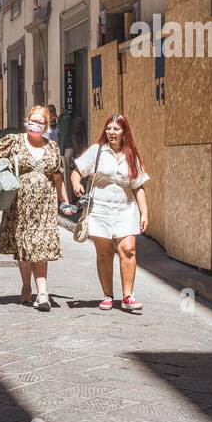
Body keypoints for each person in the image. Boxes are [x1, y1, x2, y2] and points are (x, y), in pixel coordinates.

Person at [0, 104, 71, 310]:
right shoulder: (14, 141)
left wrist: (65, 202)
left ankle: (43, 293)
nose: (35, 125)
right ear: (26, 121)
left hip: (44, 208)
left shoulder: (52, 147)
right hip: (19, 207)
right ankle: (26, 285)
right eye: (32, 120)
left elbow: (57, 178)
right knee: (24, 249)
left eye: (40, 122)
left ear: (46, 126)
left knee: (39, 249)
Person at [71, 113, 150, 310]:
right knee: (105, 254)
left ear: (124, 133)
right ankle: (107, 295)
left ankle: (128, 296)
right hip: (100, 209)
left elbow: (138, 186)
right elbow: (77, 171)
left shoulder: (131, 155)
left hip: (125, 209)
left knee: (128, 250)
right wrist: (76, 184)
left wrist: (144, 213)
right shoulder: (97, 151)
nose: (111, 132)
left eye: (116, 129)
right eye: (109, 128)